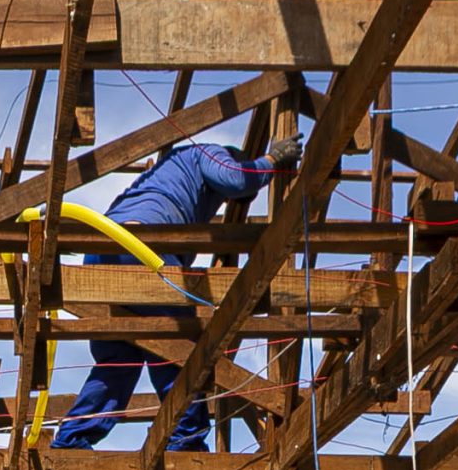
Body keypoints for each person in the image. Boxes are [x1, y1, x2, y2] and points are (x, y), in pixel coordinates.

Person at [50, 137, 302, 452]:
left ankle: (72, 439)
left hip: (102, 254)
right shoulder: (207, 151)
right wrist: (270, 161)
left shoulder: (160, 180)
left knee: (120, 360)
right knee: (179, 345)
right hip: (142, 247)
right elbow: (235, 179)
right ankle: (186, 439)